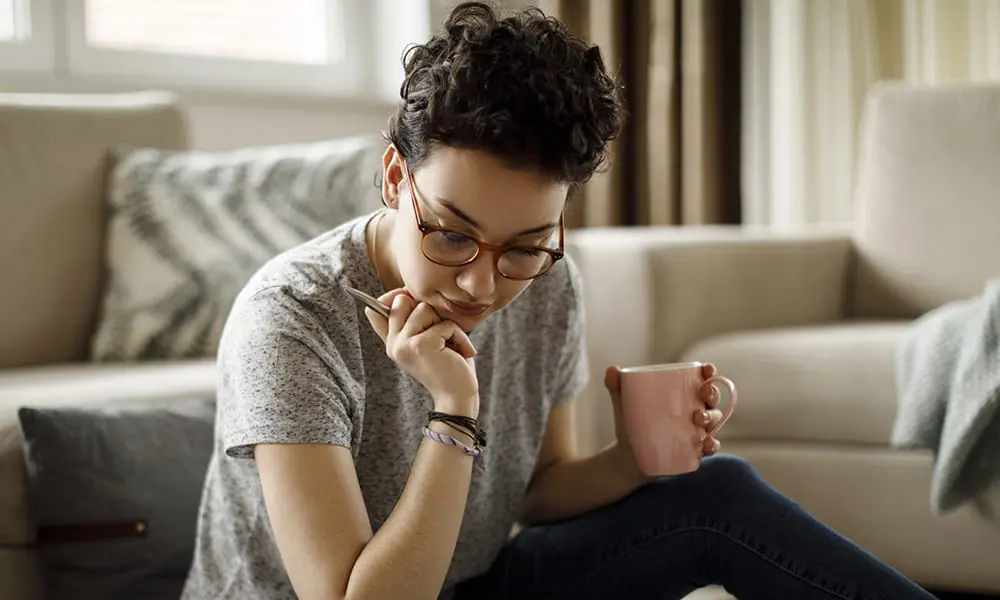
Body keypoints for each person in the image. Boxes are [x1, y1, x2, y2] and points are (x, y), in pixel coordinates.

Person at [180, 3, 939, 599]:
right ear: (392, 179)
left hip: (473, 585)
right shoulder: (294, 316)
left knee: (714, 490)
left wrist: (637, 463)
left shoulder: (549, 283)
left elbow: (541, 490)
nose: (483, 284)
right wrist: (453, 412)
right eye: (451, 235)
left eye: (524, 246)